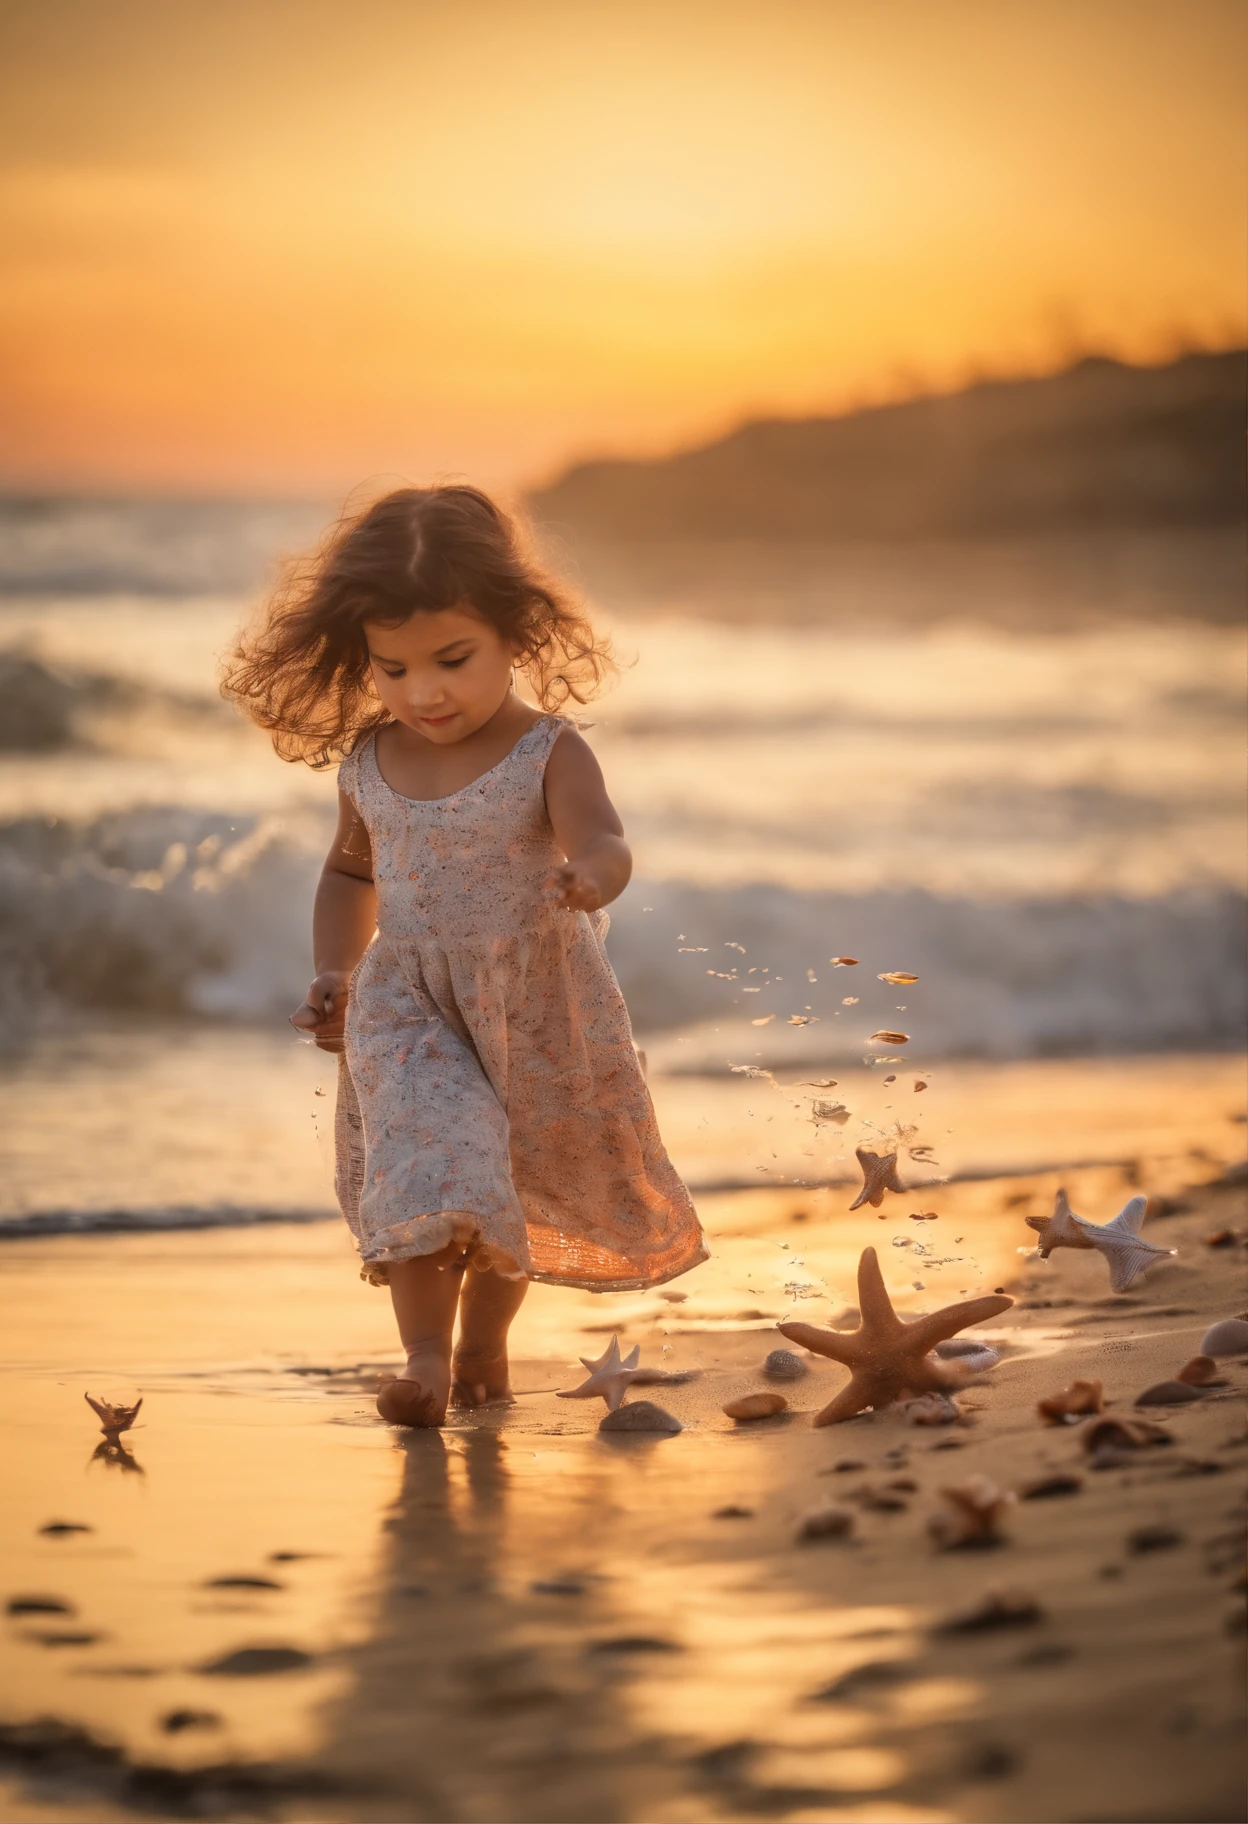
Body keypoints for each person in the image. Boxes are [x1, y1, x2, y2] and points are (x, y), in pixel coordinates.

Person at [224, 485, 706, 1427]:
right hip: (407, 999)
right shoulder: (367, 760)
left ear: (514, 635)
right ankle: (422, 1361)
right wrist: (335, 971)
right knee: (429, 1162)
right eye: (392, 669)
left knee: (508, 1186)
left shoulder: (546, 751)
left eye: (453, 660)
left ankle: (484, 1345)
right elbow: (350, 874)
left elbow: (603, 838)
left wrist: (593, 877)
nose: (423, 692)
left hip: (535, 1000)